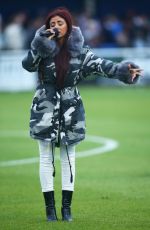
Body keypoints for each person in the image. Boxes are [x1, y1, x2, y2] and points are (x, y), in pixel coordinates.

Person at [22, 7, 142, 222]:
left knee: (69, 159)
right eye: (52, 24)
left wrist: (125, 71)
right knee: (45, 157)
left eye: (60, 23)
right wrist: (40, 44)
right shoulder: (41, 48)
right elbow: (27, 65)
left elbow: (105, 66)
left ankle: (66, 210)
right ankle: (50, 211)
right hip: (44, 108)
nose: (55, 27)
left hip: (71, 110)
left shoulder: (80, 51)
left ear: (68, 25)